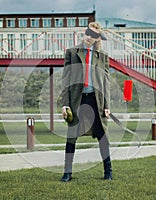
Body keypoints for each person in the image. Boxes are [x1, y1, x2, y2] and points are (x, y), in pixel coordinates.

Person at [60, 22, 112, 182]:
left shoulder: (102, 56)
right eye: (88, 33)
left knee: (103, 136)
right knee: (71, 137)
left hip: (96, 101)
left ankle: (108, 172)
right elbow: (65, 80)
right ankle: (67, 172)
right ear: (85, 32)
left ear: (97, 38)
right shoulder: (72, 53)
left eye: (94, 35)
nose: (89, 37)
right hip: (78, 100)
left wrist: (107, 106)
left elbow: (106, 82)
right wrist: (65, 103)